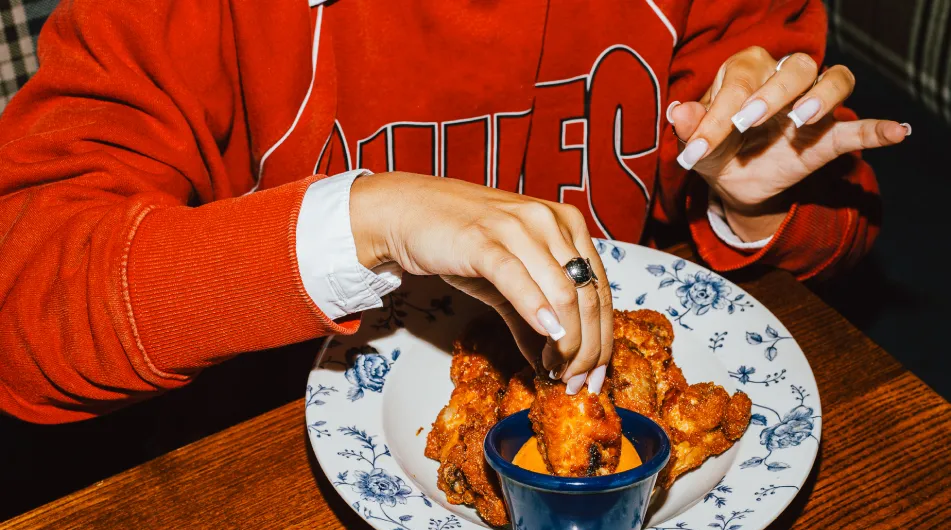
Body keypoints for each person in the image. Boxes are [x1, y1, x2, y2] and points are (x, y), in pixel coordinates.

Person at [0, 0, 908, 423]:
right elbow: (30, 309)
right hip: (266, 463)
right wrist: (368, 217)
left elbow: (841, 237)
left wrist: (749, 203)